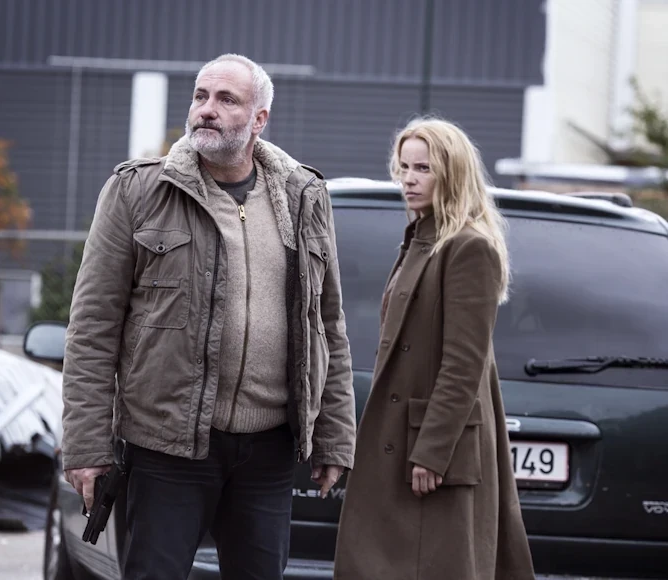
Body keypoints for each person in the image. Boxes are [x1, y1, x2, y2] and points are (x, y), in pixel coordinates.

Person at [61, 53, 357, 580]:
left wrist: (333, 437)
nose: (206, 109)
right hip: (167, 448)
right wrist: (87, 444)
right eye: (200, 96)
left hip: (268, 451)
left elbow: (326, 324)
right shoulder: (138, 191)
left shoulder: (303, 196)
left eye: (226, 99)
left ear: (259, 119)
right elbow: (92, 328)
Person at [333, 117, 536, 580]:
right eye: (403, 167)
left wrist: (432, 450)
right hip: (400, 441)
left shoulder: (468, 248)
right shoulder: (421, 239)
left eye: (422, 168)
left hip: (430, 453)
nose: (408, 179)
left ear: (451, 173)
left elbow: (464, 363)